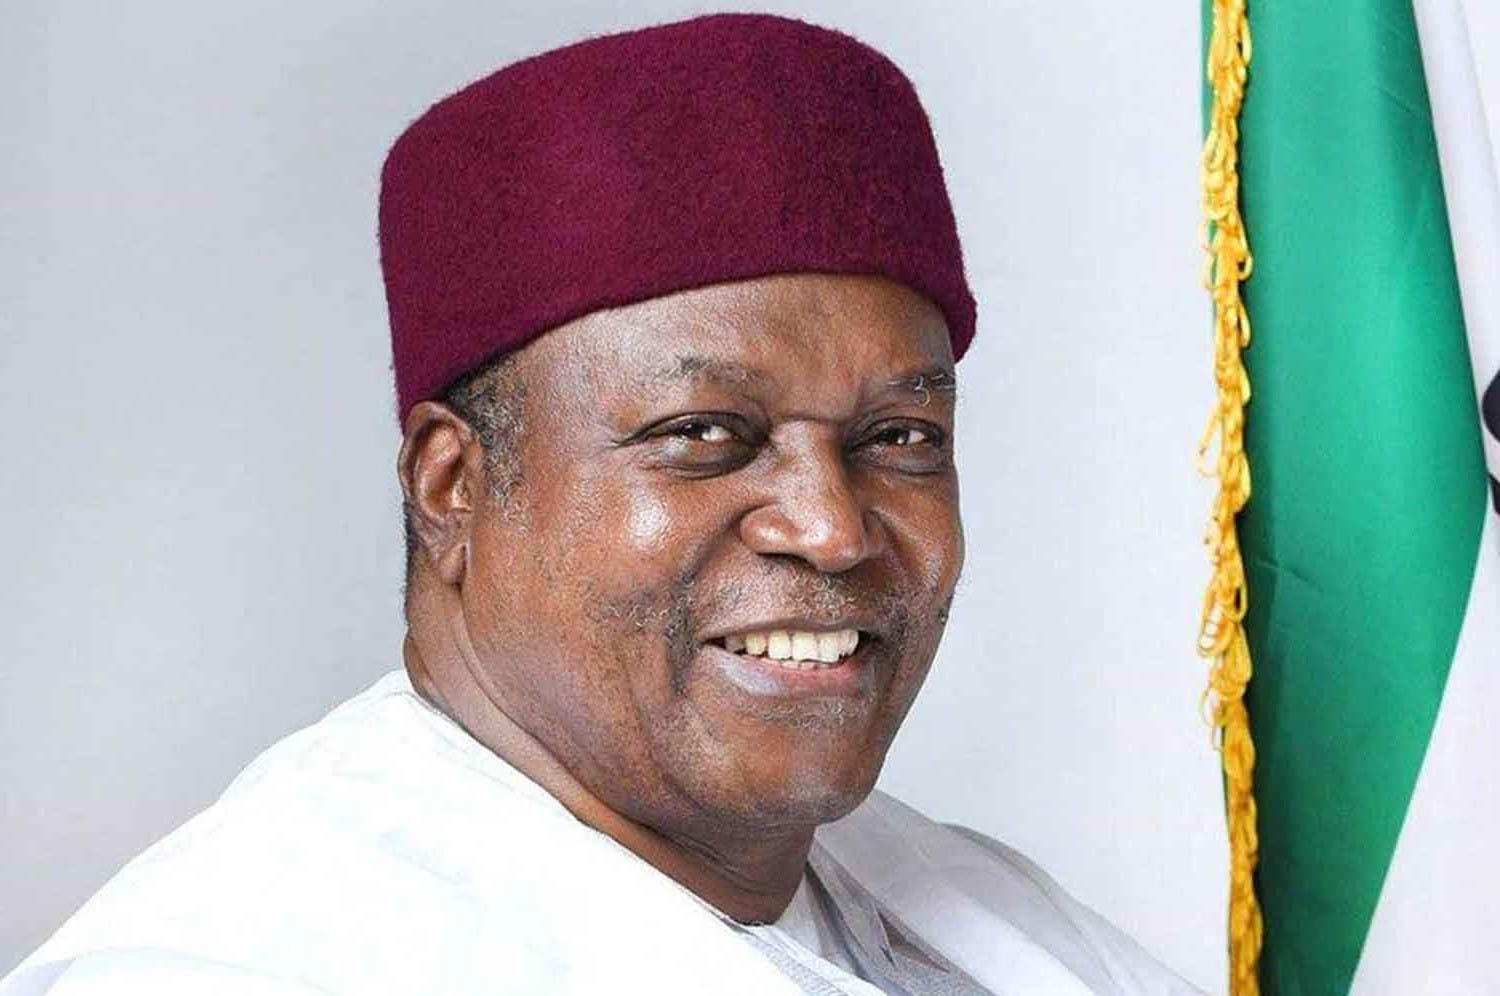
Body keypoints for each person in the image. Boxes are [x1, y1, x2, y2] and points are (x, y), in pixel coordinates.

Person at [2, 13, 1199, 996]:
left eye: (899, 438)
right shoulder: (244, 967)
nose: (832, 528)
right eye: (705, 436)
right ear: (453, 487)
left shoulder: (978, 911)